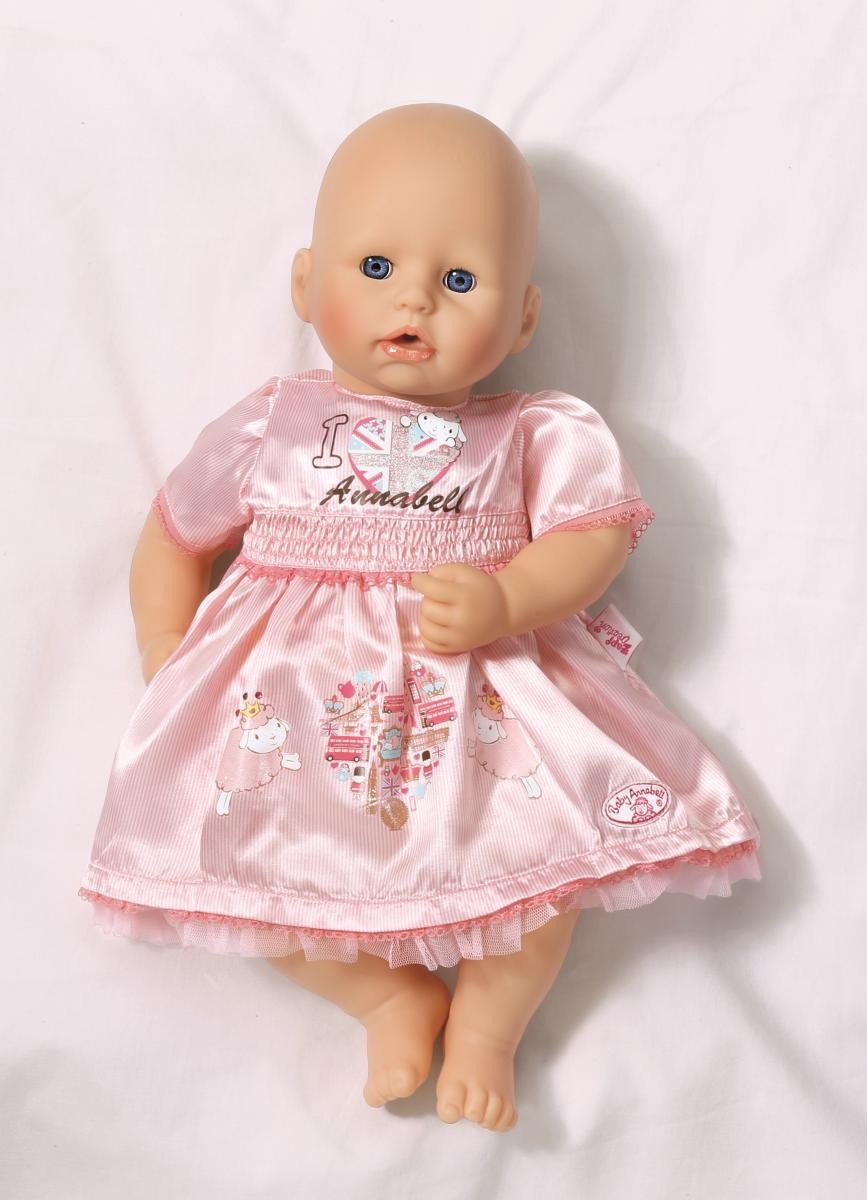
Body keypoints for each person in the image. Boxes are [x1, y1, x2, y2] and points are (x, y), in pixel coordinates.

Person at [79, 103, 761, 1133]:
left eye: (459, 280)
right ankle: (384, 997)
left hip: (488, 701)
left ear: (522, 321)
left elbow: (594, 537)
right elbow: (174, 534)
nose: (414, 300)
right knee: (244, 877)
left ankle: (489, 1023)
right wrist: (166, 649)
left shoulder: (534, 431)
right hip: (294, 714)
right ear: (305, 284)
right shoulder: (273, 424)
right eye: (375, 267)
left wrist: (510, 595)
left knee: (547, 878)